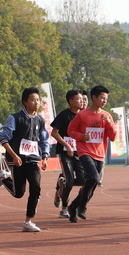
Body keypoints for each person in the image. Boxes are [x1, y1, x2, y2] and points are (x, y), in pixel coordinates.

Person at [0, 87, 50, 232]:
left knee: (36, 188)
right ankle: (3, 178)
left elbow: (44, 140)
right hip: (16, 159)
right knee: (18, 193)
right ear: (25, 102)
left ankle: (28, 221)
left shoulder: (40, 120)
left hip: (33, 160)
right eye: (33, 100)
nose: (36, 103)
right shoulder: (15, 118)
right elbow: (3, 138)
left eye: (38, 100)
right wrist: (14, 155)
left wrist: (44, 157)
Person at [65, 85, 117, 223]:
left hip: (99, 153)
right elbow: (70, 130)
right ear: (94, 97)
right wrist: (82, 136)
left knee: (92, 184)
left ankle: (73, 207)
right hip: (85, 151)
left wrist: (109, 123)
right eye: (102, 98)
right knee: (93, 178)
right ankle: (82, 207)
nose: (104, 101)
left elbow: (113, 137)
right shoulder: (82, 115)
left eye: (106, 99)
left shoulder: (107, 116)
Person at [50, 89, 86, 219]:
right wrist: (67, 145)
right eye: (78, 99)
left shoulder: (83, 115)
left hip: (80, 152)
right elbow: (54, 133)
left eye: (82, 99)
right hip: (66, 153)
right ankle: (64, 208)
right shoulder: (64, 115)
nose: (81, 101)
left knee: (83, 180)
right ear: (71, 101)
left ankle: (61, 186)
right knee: (70, 182)